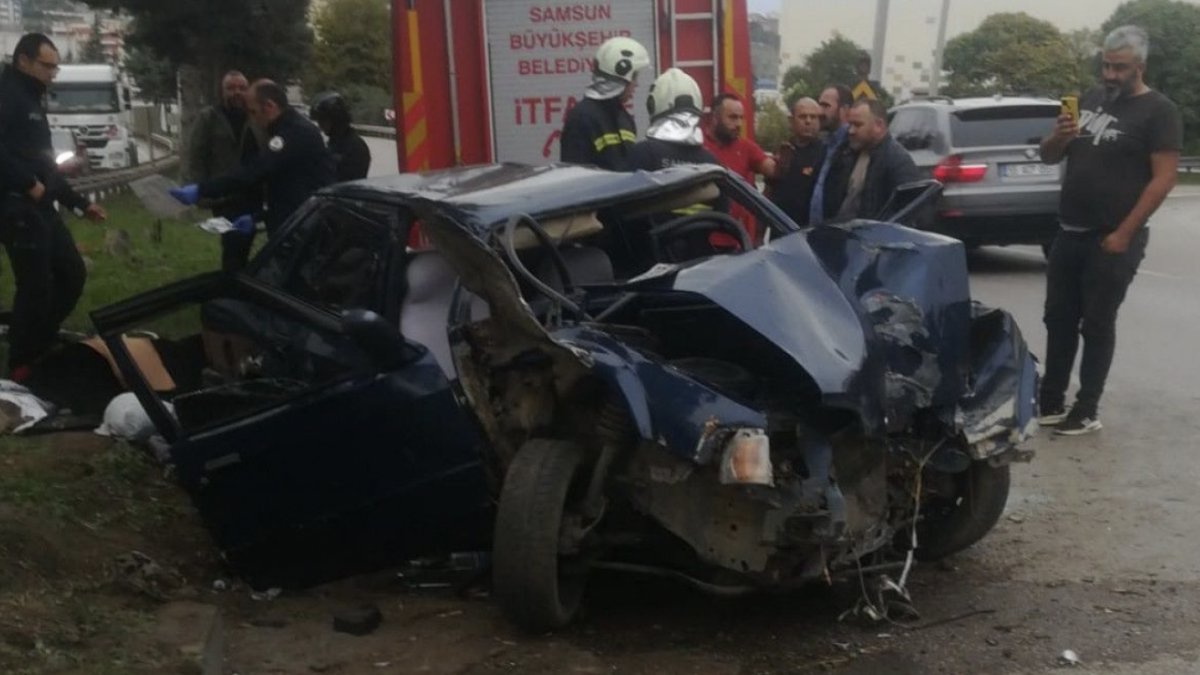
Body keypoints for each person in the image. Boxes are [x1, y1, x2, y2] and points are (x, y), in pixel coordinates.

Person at [1036, 25, 1181, 436]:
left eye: (1120, 68)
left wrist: (1124, 233)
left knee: (1097, 323)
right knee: (1058, 318)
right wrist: (1058, 137)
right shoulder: (1090, 99)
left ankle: (1086, 409)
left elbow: (1164, 178)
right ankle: (1051, 401)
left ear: (1140, 67)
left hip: (1112, 238)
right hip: (1069, 231)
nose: (1110, 75)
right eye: (1106, 65)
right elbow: (1048, 156)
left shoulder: (1159, 111)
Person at [0, 33, 106, 375]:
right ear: (23, 61)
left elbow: (46, 164)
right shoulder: (8, 95)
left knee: (71, 274)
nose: (52, 74)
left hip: (42, 206)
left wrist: (80, 204)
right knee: (35, 285)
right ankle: (21, 363)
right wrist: (28, 184)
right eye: (47, 66)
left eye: (55, 68)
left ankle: (40, 340)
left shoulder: (32, 98)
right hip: (16, 205)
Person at [171, 80, 336, 240]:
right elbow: (288, 188)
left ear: (269, 107)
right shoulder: (288, 128)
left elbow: (254, 171)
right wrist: (259, 218)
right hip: (299, 220)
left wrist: (201, 190)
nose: (251, 118)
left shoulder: (292, 133)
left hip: (305, 228)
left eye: (253, 112)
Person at [619, 68, 728, 273]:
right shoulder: (712, 164)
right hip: (701, 272)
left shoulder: (642, 155)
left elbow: (619, 217)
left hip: (648, 273)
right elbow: (722, 215)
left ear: (654, 105)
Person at [184, 70, 264, 272]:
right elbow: (196, 156)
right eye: (231, 88)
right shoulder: (209, 118)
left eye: (242, 88)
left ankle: (241, 280)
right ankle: (232, 281)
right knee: (232, 245)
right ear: (222, 92)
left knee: (248, 242)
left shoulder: (256, 117)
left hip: (254, 193)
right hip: (224, 196)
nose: (236, 92)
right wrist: (199, 191)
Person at [559, 36, 650, 171]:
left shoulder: (624, 118)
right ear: (621, 76)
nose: (636, 84)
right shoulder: (581, 118)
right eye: (634, 77)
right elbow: (573, 175)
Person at [824, 98, 920, 222]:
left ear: (878, 125)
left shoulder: (897, 161)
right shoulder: (847, 154)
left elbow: (909, 213)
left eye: (857, 125)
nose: (851, 131)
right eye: (850, 124)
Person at [765, 97, 824, 226]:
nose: (808, 121)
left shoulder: (825, 153)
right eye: (802, 116)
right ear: (791, 121)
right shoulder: (782, 151)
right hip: (781, 228)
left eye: (813, 117)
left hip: (810, 229)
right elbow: (768, 193)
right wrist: (759, 232)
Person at [809, 84, 854, 225]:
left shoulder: (853, 147)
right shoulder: (825, 144)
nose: (820, 112)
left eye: (826, 106)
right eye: (820, 105)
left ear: (845, 110)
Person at [311, 91, 371, 182]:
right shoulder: (334, 143)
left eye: (323, 120)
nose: (320, 125)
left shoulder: (354, 146)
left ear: (336, 120)